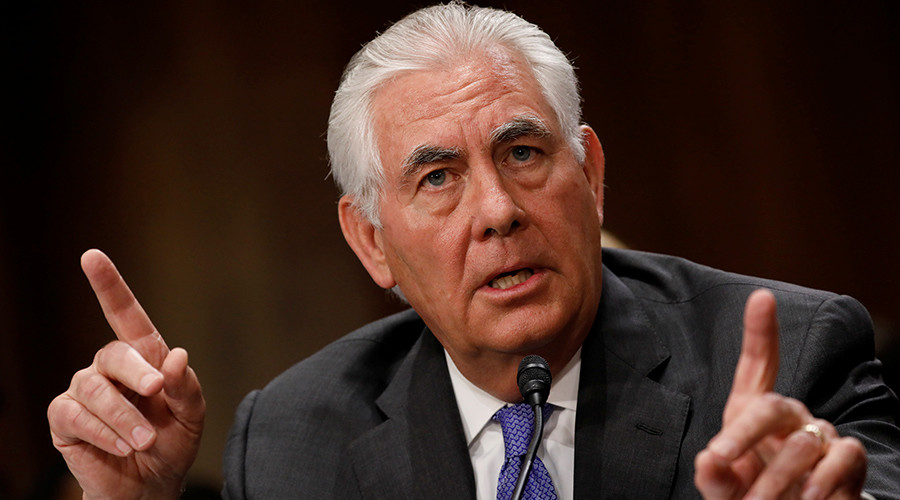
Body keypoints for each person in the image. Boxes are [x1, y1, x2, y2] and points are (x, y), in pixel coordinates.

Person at [47, 3, 900, 499]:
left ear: (591, 177)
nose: (497, 211)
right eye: (438, 178)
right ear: (372, 242)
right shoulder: (293, 440)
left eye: (522, 153)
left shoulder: (793, 359)